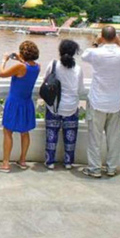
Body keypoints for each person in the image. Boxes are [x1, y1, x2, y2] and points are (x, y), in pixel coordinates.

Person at [81, 26, 120, 178]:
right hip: (115, 102)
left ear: (102, 37)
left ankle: (94, 168)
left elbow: (84, 55)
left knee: (95, 138)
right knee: (114, 138)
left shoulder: (96, 53)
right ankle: (111, 167)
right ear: (115, 37)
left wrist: (95, 42)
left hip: (97, 101)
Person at [0, 40, 40, 173]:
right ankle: (22, 160)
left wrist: (4, 60)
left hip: (14, 102)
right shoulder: (37, 67)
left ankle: (5, 163)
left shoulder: (20, 67)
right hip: (26, 102)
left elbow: (1, 73)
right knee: (25, 132)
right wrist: (20, 59)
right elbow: (26, 67)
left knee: (8, 131)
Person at [43, 40, 86, 170]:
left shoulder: (53, 64)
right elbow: (81, 90)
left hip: (54, 106)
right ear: (74, 53)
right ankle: (68, 162)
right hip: (71, 107)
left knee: (51, 135)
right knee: (70, 136)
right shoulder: (78, 69)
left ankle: (50, 161)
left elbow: (46, 81)